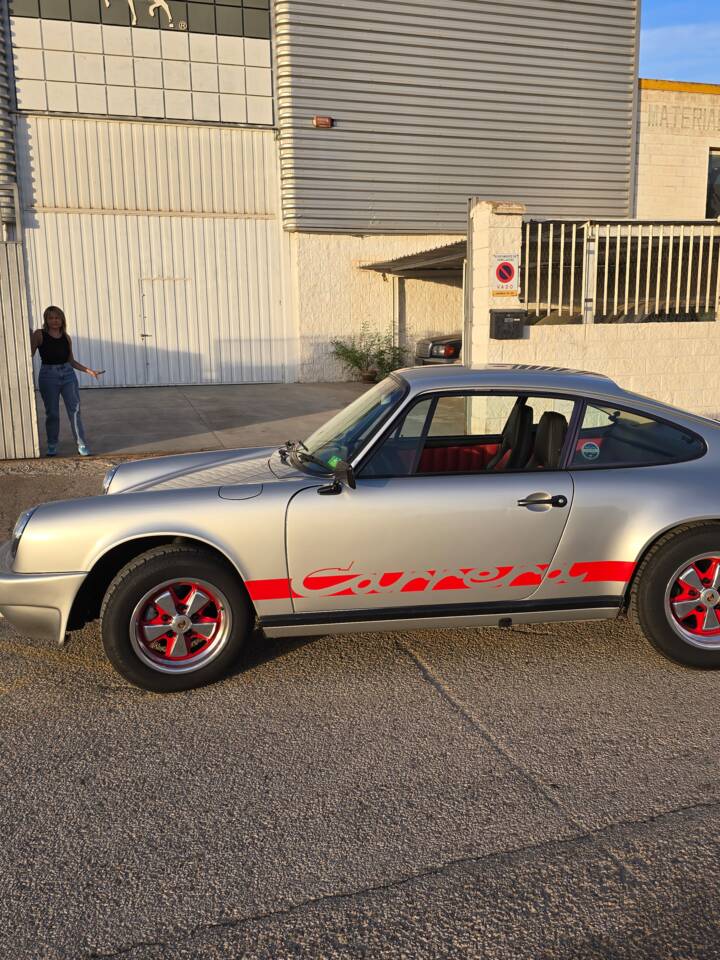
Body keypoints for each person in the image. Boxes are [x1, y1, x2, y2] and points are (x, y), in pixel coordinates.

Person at [30, 305, 103, 457]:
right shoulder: (39, 334)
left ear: (62, 319)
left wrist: (89, 371)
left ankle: (81, 444)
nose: (54, 321)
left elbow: (71, 361)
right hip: (48, 376)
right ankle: (52, 444)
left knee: (75, 411)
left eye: (57, 317)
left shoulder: (66, 337)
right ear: (46, 320)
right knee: (52, 413)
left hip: (68, 375)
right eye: (51, 318)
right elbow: (28, 353)